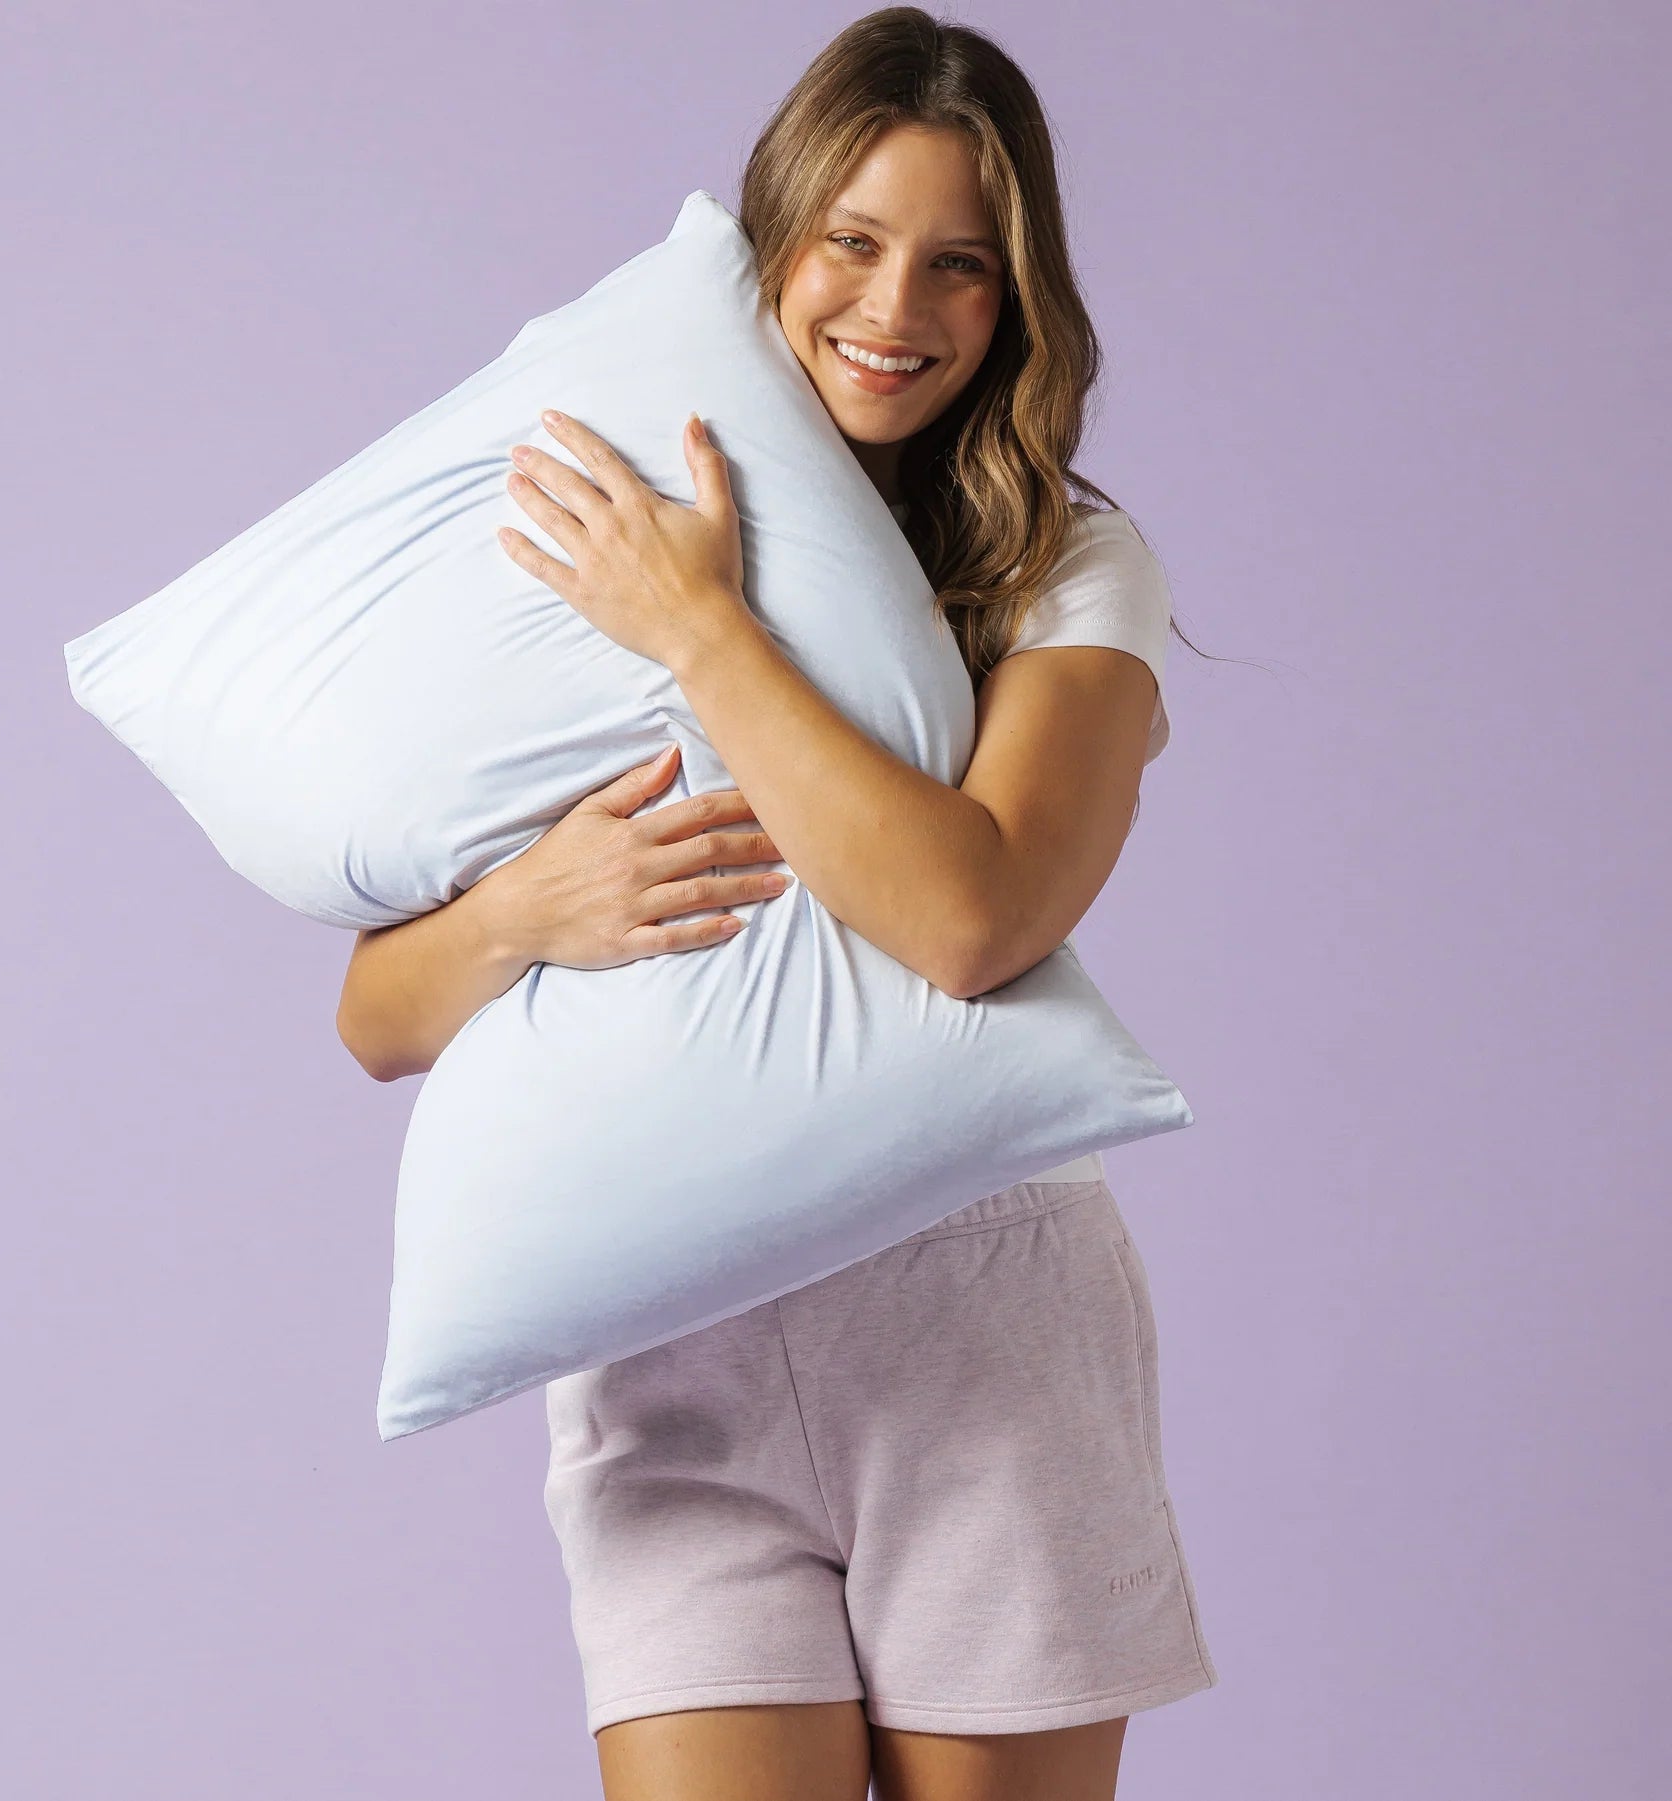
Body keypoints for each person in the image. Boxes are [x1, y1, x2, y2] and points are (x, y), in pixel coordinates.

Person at [336, 10, 1218, 1797]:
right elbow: (375, 1021)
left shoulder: (1063, 565)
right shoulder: (617, 528)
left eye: (962, 264)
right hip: (672, 1330)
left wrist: (703, 632)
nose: (898, 308)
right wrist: (526, 908)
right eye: (854, 242)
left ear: (1018, 299)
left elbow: (976, 917)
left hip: (980, 1326)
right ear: (773, 245)